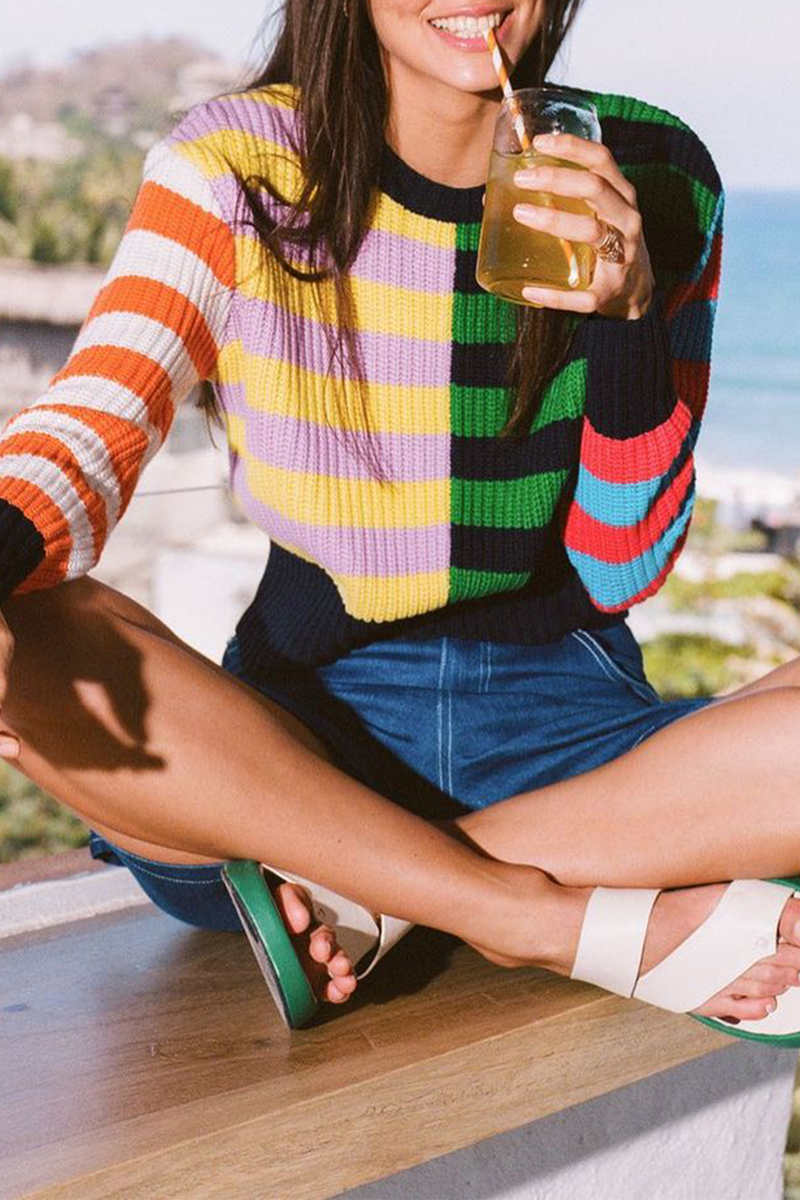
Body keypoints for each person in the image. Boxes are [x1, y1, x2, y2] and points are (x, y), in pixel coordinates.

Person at [2, 0, 800, 1038]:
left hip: (565, 739)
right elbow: (100, 408)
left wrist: (628, 320)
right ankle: (525, 915)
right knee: (32, 624)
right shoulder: (234, 165)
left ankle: (384, 888)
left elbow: (622, 567)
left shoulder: (655, 168)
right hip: (296, 749)